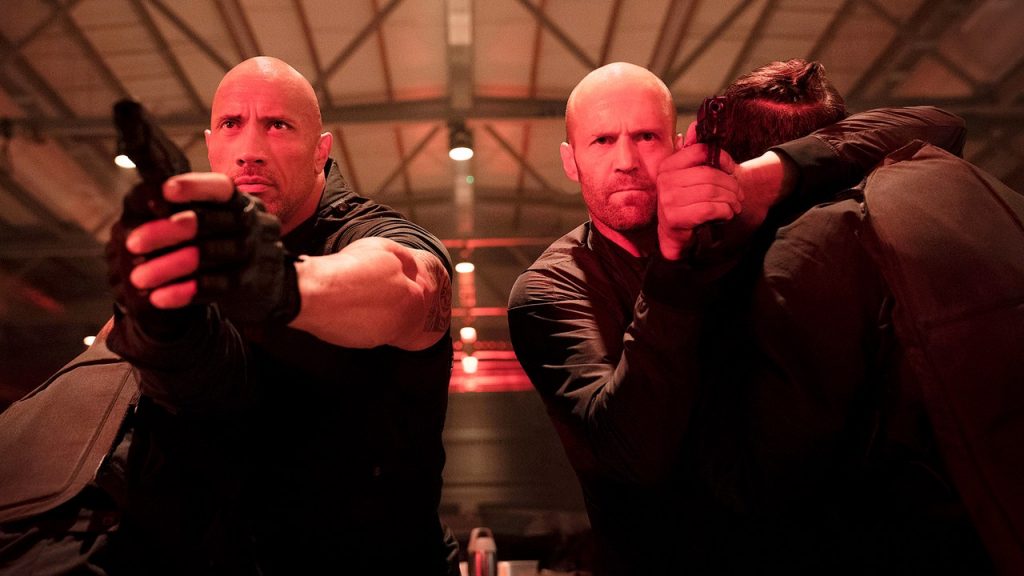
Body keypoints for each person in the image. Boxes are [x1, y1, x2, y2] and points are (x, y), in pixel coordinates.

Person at [506, 60, 970, 574]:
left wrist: (771, 173)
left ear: (678, 144)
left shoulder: (732, 221)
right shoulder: (553, 287)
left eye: (645, 137)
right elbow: (631, 456)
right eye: (601, 141)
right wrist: (674, 266)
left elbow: (942, 126)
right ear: (570, 161)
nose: (626, 161)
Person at [93, 56, 458, 574]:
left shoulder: (368, 230)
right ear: (211, 145)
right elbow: (106, 377)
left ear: (321, 150)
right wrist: (149, 307)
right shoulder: (196, 254)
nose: (250, 150)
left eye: (278, 125)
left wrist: (276, 282)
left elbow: (408, 283)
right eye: (231, 124)